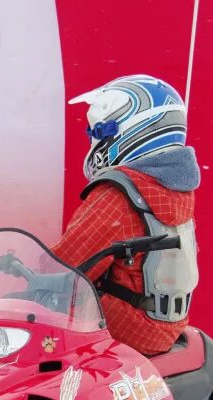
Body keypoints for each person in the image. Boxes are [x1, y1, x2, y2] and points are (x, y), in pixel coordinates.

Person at [52, 74, 200, 355]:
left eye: (99, 133)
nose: (94, 141)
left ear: (127, 130)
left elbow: (66, 267)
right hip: (162, 324)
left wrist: (22, 286)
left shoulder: (118, 194)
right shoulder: (175, 190)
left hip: (124, 328)